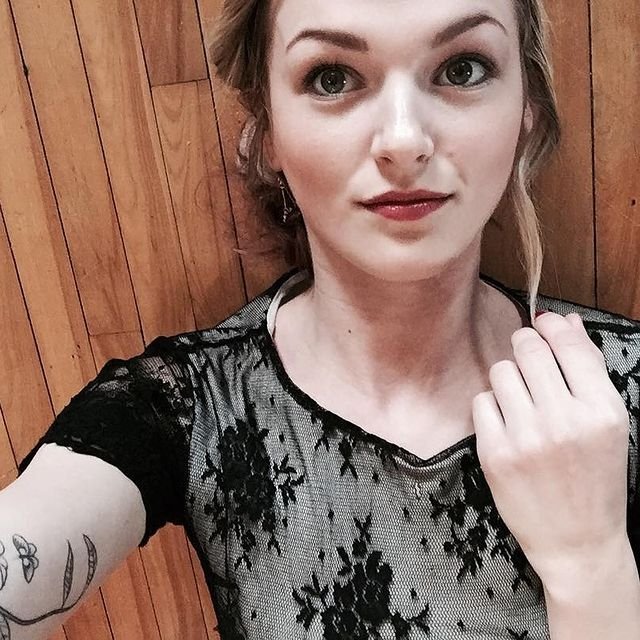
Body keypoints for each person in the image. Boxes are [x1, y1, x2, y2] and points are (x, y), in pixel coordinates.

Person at [1, 0, 640, 638]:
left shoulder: (623, 385)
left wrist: (591, 568)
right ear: (268, 132)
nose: (403, 141)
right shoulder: (191, 410)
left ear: (526, 108)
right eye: (332, 78)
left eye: (462, 69)